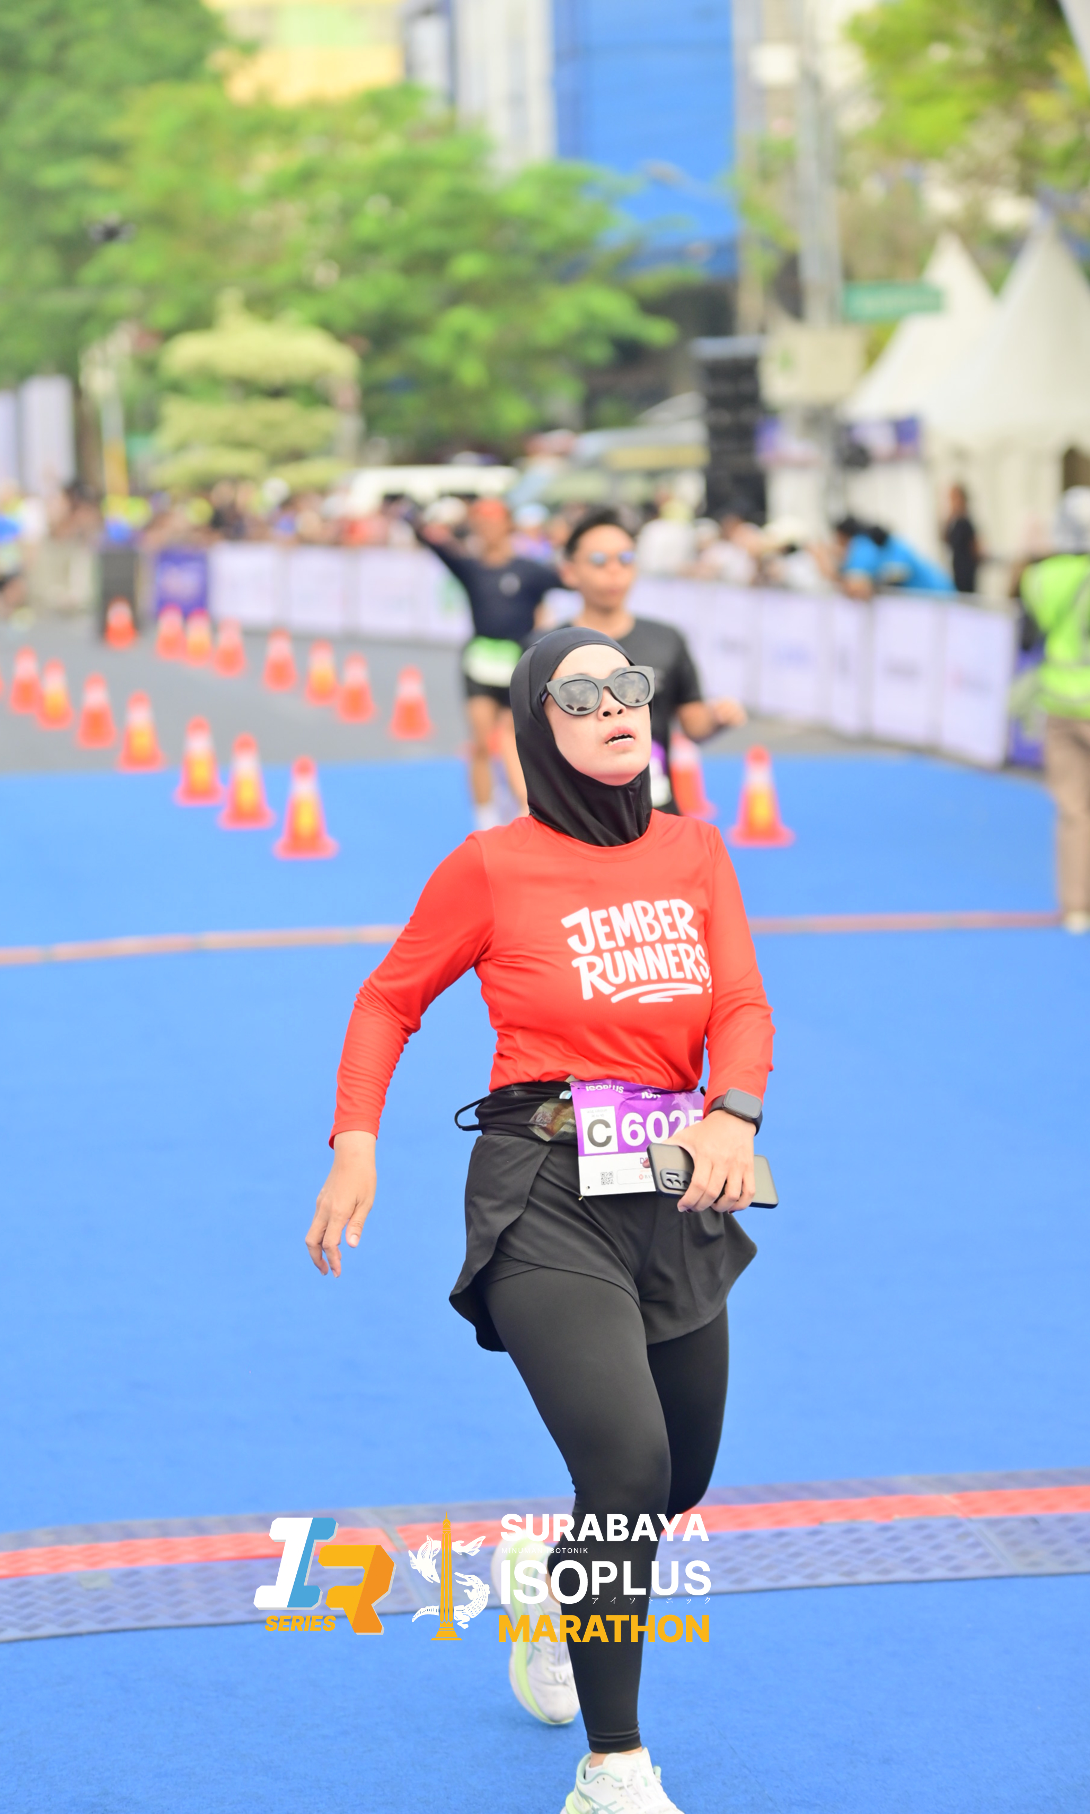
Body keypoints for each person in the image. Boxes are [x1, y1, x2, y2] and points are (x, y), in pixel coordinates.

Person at [308, 628, 774, 1814]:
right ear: (537, 723)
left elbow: (738, 998)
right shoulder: (490, 866)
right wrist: (355, 1138)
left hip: (672, 1183)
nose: (616, 705)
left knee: (675, 1483)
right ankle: (613, 1767)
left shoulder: (697, 850)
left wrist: (734, 1111)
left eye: (630, 686)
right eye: (582, 693)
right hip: (543, 1189)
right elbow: (388, 997)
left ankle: (549, 1579)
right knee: (627, 1460)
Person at [556, 509, 746, 811]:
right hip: (577, 813)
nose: (614, 570)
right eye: (599, 560)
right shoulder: (546, 649)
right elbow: (518, 736)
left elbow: (694, 724)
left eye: (625, 559)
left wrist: (717, 717)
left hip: (654, 808)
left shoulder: (666, 640)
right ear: (569, 571)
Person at [416, 497, 564, 826]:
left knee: (515, 740)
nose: (487, 529)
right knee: (481, 743)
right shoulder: (471, 568)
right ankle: (484, 820)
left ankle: (525, 812)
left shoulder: (529, 570)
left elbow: (569, 580)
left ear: (507, 525)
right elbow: (431, 541)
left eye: (494, 522)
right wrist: (421, 516)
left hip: (518, 663)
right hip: (480, 662)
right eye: (481, 523)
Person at [1020, 498, 1090, 933]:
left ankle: (1076, 908)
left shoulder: (1040, 577)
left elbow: (1028, 638)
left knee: (1072, 809)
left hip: (1060, 701)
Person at [832, 516, 954, 597]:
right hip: (941, 593)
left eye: (838, 541)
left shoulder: (863, 545)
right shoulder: (884, 544)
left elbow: (856, 585)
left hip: (938, 599)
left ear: (843, 537)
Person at [942, 484, 981, 594]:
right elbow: (945, 539)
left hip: (967, 568)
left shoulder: (966, 522)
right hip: (957, 566)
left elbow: (975, 546)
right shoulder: (953, 522)